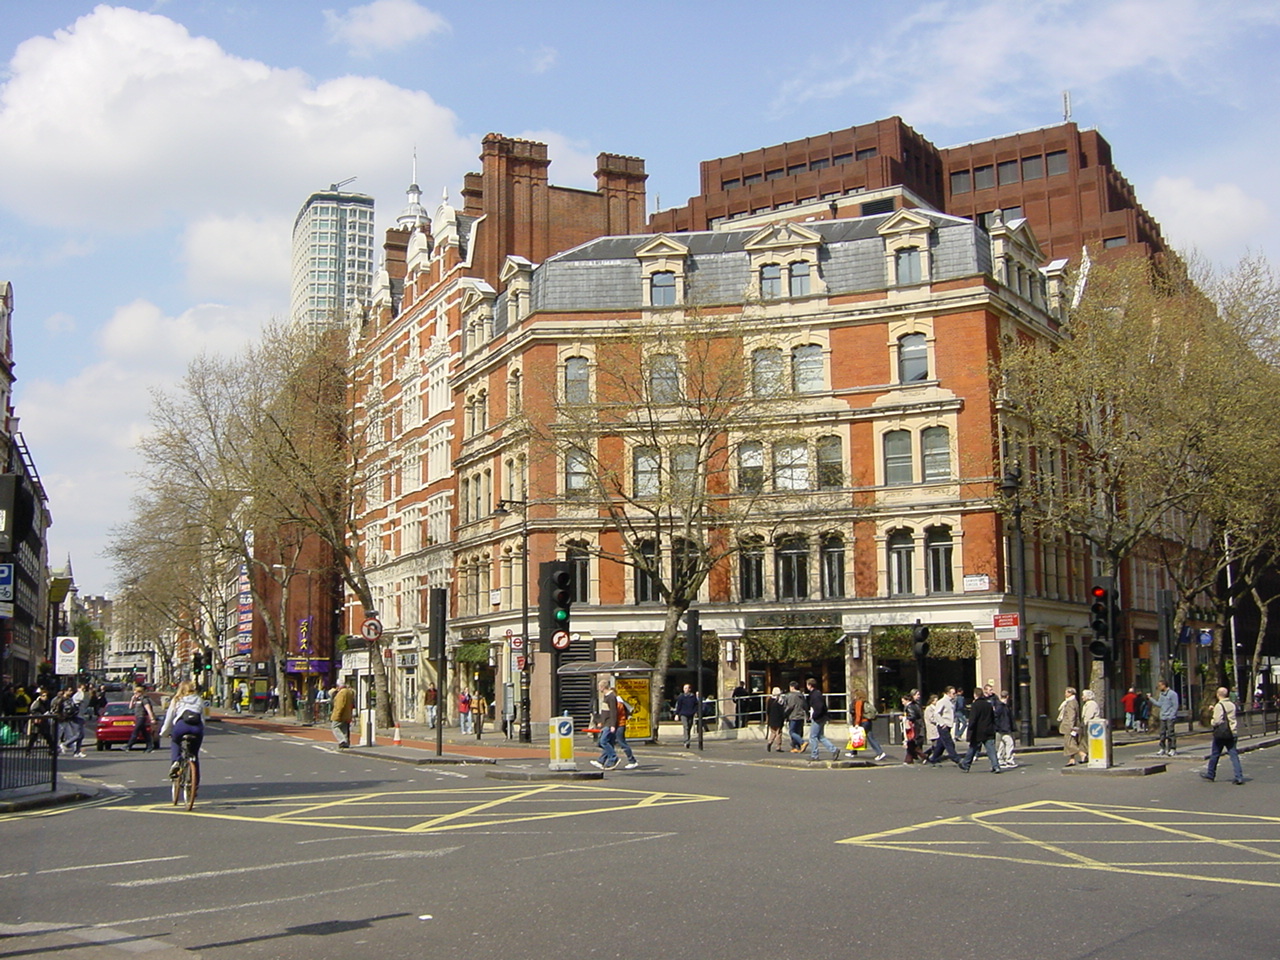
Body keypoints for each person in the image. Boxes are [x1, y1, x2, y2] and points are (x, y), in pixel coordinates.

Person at [159, 679, 205, 779]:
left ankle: (176, 761)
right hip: (197, 727)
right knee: (194, 756)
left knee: (175, 741)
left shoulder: (177, 699)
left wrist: (164, 733)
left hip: (181, 726)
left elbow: (169, 718)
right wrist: (201, 730)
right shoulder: (199, 699)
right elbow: (202, 718)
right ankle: (194, 785)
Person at [1201, 687, 1244, 785]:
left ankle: (1211, 774)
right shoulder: (1232, 705)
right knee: (1233, 755)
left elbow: (1217, 721)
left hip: (1221, 734)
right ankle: (1239, 776)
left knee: (1215, 754)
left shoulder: (1219, 705)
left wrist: (1212, 720)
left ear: (1218, 694)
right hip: (1232, 732)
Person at [959, 687, 1000, 773]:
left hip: (978, 731)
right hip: (989, 730)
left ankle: (966, 764)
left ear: (975, 695)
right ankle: (996, 766)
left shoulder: (975, 705)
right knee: (991, 750)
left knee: (973, 748)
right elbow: (993, 717)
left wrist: (970, 730)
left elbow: (973, 719)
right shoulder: (988, 704)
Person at [804, 677, 839, 761]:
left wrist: (814, 716)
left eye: (807, 685)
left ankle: (814, 755)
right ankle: (834, 749)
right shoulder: (818, 693)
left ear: (809, 685)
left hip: (818, 718)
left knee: (813, 736)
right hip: (822, 717)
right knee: (820, 736)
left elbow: (818, 707)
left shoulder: (815, 695)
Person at [925, 686, 962, 766]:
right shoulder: (942, 701)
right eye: (953, 693)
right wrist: (942, 723)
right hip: (943, 726)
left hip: (948, 725)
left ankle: (933, 758)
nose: (954, 695)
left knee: (941, 744)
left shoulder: (950, 702)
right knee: (949, 743)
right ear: (948, 693)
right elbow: (936, 713)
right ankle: (956, 758)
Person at [591, 680, 619, 770]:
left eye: (599, 686)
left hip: (609, 724)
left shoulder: (611, 697)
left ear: (603, 687)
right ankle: (602, 761)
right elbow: (605, 712)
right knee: (607, 743)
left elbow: (613, 712)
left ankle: (614, 758)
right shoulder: (606, 696)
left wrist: (613, 725)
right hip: (605, 723)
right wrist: (601, 722)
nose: (598, 688)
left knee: (603, 742)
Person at [851, 689, 887, 761]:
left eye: (854, 695)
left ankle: (880, 752)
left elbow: (858, 714)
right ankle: (853, 752)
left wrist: (857, 724)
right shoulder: (865, 702)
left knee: (860, 736)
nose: (853, 696)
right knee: (868, 737)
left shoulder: (858, 702)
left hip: (863, 722)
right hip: (867, 721)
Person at [612, 684, 640, 769]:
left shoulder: (618, 703)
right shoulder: (617, 702)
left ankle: (632, 760)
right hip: (617, 724)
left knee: (622, 743)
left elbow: (615, 715)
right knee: (609, 743)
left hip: (619, 724)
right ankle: (609, 761)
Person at [1057, 687, 1086, 766]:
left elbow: (1071, 716)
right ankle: (1072, 760)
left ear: (1070, 693)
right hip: (1072, 725)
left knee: (1069, 743)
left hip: (1069, 726)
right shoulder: (1072, 702)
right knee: (1071, 742)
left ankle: (1082, 754)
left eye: (1066, 692)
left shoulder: (1071, 703)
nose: (1065, 694)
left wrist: (1071, 726)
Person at [23, 686, 56, 754]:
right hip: (38, 721)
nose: (45, 697)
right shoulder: (37, 702)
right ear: (40, 696)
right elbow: (32, 710)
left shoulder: (46, 702)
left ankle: (52, 749)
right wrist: (39, 714)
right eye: (43, 696)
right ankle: (28, 750)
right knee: (34, 737)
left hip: (43, 721)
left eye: (46, 696)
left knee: (47, 736)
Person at [1151, 681, 1179, 756]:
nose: (1159, 687)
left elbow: (1175, 706)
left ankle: (1172, 749)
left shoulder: (1172, 694)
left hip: (1170, 717)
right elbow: (1159, 704)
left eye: (1160, 686)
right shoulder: (1161, 694)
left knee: (1171, 733)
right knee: (1162, 733)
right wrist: (1150, 698)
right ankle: (1162, 748)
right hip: (1163, 716)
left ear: (1164, 685)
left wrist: (1172, 715)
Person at [125, 684, 156, 752]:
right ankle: (150, 746)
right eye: (134, 693)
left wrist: (152, 719)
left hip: (142, 717)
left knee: (135, 731)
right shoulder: (137, 699)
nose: (135, 694)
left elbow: (148, 709)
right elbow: (130, 707)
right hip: (137, 717)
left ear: (140, 692)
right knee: (145, 733)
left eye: (136, 693)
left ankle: (128, 745)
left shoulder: (144, 699)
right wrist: (132, 699)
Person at [783, 680, 808, 752]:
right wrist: (807, 713)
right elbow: (805, 705)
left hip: (793, 716)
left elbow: (790, 706)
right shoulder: (801, 695)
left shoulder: (791, 695)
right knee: (798, 732)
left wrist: (785, 714)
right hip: (801, 715)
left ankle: (802, 742)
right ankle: (796, 747)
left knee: (792, 732)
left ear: (792, 687)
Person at [994, 690, 1016, 768]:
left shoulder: (1001, 705)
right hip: (1004, 728)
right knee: (1010, 743)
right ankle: (1009, 760)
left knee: (1002, 745)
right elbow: (997, 717)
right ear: (1007, 696)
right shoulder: (1002, 706)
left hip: (1002, 728)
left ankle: (1000, 760)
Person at [674, 683, 700, 748]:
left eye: (686, 688)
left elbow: (696, 705)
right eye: (684, 688)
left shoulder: (693, 697)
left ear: (689, 689)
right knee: (686, 727)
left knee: (689, 727)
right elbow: (678, 706)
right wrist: (677, 714)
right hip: (683, 714)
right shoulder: (681, 697)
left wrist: (696, 712)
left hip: (691, 714)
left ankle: (687, 738)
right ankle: (686, 741)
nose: (685, 689)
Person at [902, 689, 925, 764]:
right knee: (912, 743)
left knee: (912, 743)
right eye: (917, 695)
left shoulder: (910, 706)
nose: (919, 696)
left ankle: (923, 756)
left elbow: (913, 716)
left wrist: (905, 718)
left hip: (914, 726)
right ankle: (909, 759)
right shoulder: (915, 705)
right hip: (916, 726)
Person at [330, 680, 355, 748]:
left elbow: (340, 705)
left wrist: (337, 715)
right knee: (344, 728)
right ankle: (346, 741)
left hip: (341, 715)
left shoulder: (341, 693)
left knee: (334, 726)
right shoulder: (349, 692)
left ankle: (342, 741)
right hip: (347, 714)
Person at [765, 686, 786, 752]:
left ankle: (769, 742)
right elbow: (782, 711)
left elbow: (768, 710)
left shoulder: (769, 700)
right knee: (778, 733)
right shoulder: (780, 701)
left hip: (771, 718)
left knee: (772, 732)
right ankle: (778, 747)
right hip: (778, 719)